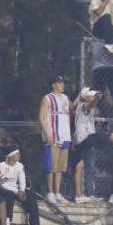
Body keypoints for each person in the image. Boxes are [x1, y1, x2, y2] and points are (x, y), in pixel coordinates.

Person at [73, 87, 113, 203]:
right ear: (86, 97)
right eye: (91, 95)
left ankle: (80, 195)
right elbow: (89, 106)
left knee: (81, 165)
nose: (93, 97)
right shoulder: (82, 106)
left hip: (81, 141)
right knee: (112, 136)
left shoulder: (81, 108)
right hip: (86, 138)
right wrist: (96, 99)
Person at [0, 147, 43, 225]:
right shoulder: (0, 166)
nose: (19, 156)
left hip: (18, 190)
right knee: (8, 195)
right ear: (11, 156)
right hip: (5, 189)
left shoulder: (20, 166)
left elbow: (22, 179)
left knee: (31, 197)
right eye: (17, 154)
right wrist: (17, 191)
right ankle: (7, 220)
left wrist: (22, 191)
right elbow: (2, 184)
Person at [39, 75, 72, 204]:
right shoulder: (47, 98)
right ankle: (50, 192)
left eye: (63, 83)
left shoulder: (65, 98)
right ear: (54, 85)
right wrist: (47, 133)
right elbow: (41, 117)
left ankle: (58, 192)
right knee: (50, 166)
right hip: (52, 135)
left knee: (60, 167)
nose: (62, 85)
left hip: (65, 136)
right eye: (60, 83)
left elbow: (72, 107)